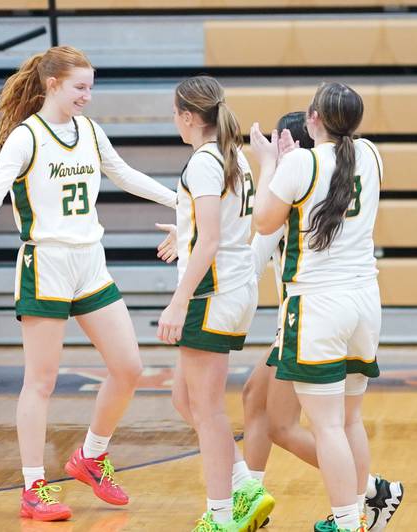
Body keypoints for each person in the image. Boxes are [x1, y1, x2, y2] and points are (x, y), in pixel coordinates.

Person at [0, 46, 177, 521]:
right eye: (81, 87)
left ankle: (91, 456)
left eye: (91, 87)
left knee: (129, 368)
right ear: (53, 84)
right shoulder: (27, 137)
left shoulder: (90, 131)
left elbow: (123, 174)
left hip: (90, 262)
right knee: (41, 380)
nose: (88, 96)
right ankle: (33, 486)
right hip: (47, 263)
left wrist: (181, 203)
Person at [243, 111, 403, 532]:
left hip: (308, 316)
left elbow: (252, 257)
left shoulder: (295, 186)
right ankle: (254, 496)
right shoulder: (356, 161)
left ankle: (363, 496)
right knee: (258, 401)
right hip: (333, 309)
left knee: (295, 424)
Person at [157, 75, 274, 532]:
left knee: (206, 412)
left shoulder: (205, 162)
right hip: (234, 287)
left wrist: (177, 303)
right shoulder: (234, 158)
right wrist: (180, 234)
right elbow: (218, 228)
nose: (174, 121)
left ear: (187, 117)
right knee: (182, 397)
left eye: (175, 114)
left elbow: (209, 242)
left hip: (211, 293)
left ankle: (221, 516)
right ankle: (243, 482)